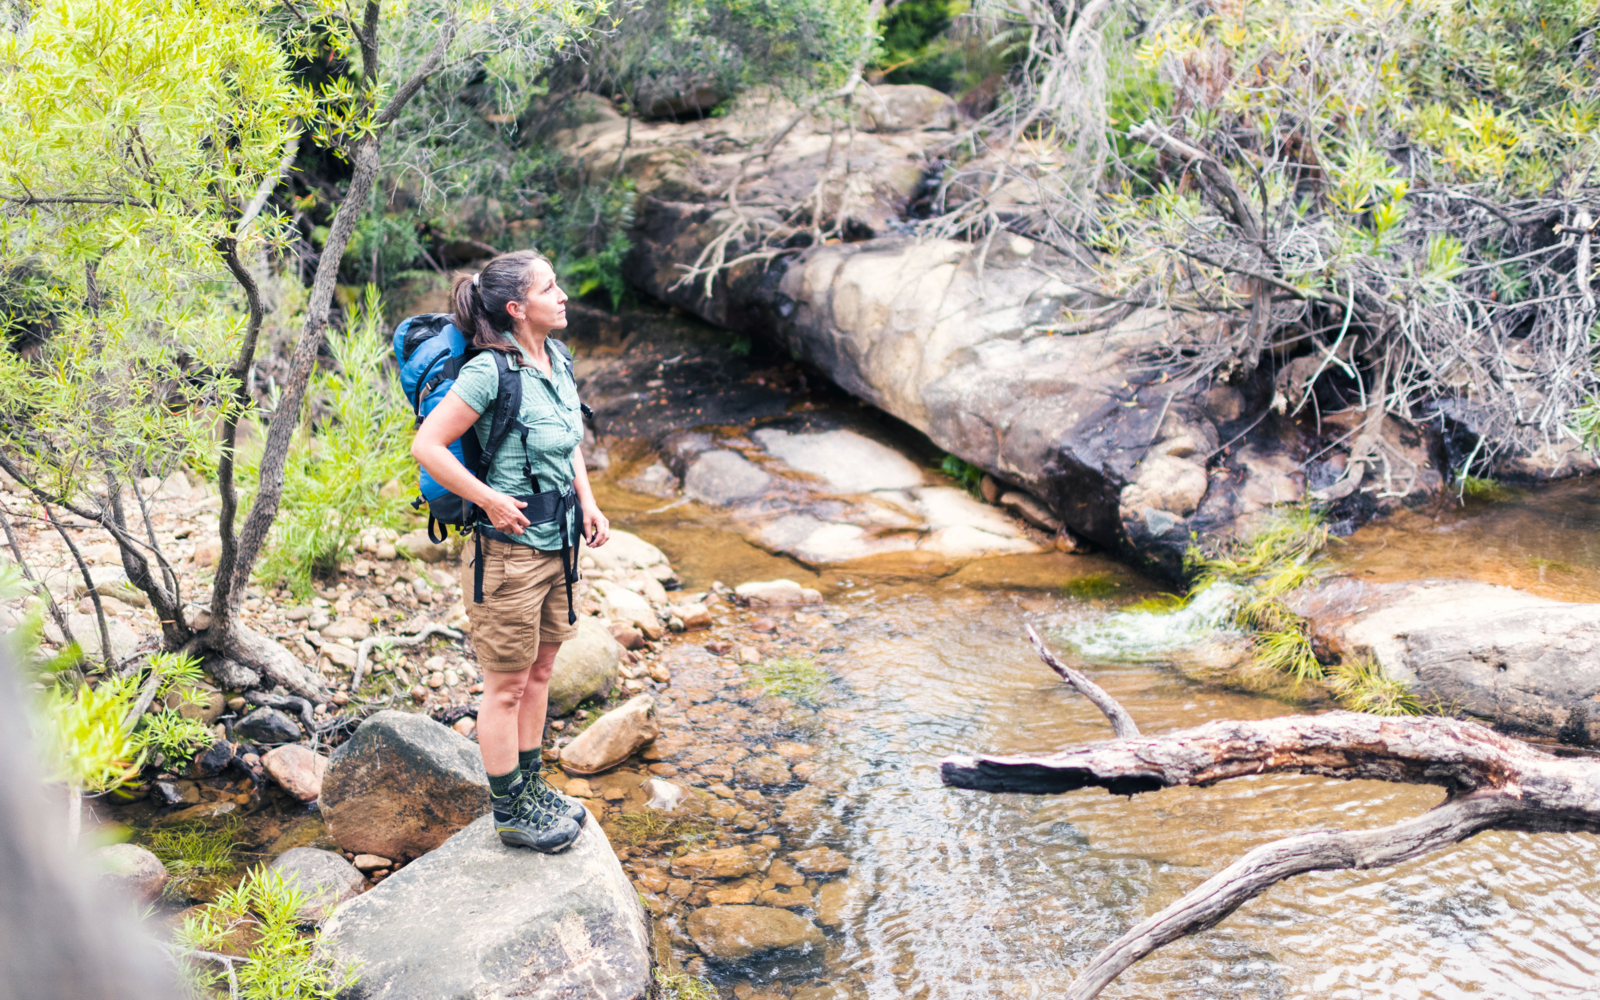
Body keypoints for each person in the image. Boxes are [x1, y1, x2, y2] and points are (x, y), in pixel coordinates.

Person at [410, 249, 610, 853]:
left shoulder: (557, 358)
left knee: (542, 673)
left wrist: (590, 500)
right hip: (508, 556)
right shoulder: (489, 373)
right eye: (551, 288)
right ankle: (510, 811)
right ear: (518, 308)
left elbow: (569, 435)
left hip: (558, 545)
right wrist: (491, 499)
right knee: (504, 688)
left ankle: (532, 786)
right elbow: (429, 446)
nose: (564, 296)